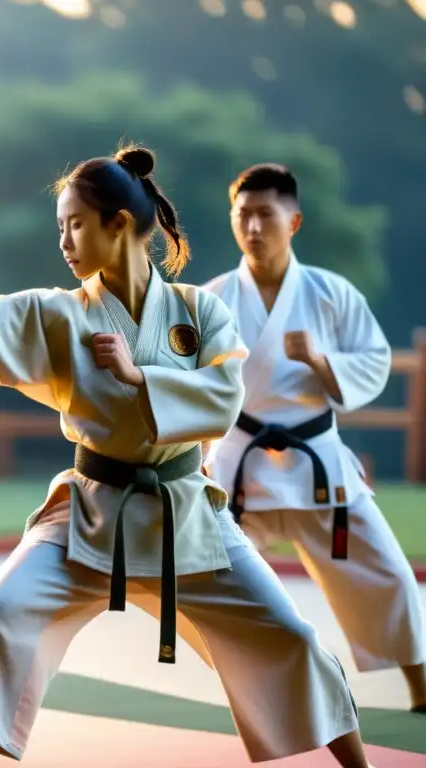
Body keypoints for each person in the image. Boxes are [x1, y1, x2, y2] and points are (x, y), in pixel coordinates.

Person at [0, 146, 370, 767]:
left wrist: (138, 376)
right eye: (60, 228)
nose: (65, 242)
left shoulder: (199, 310)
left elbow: (224, 398)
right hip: (89, 516)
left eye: (75, 224)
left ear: (119, 225)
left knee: (290, 636)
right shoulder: (59, 313)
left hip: (186, 518)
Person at [202, 163, 426, 712]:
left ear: (294, 221)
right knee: (224, 587)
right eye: (243, 215)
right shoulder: (212, 298)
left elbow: (371, 363)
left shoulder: (331, 293)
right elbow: (189, 381)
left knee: (387, 573)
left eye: (265, 215)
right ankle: (259, 693)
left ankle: (420, 686)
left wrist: (320, 361)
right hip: (238, 466)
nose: (252, 227)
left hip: (316, 464)